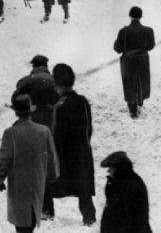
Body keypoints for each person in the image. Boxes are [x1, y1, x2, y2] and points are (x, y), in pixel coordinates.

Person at [0, 93, 59, 233]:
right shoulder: (44, 131)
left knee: (22, 225)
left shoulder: (10, 133)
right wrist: (53, 175)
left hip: (19, 189)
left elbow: (3, 159)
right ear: (31, 111)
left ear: (16, 113)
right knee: (32, 221)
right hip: (37, 186)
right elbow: (52, 157)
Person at [49, 63, 96, 227]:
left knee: (48, 185)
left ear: (57, 84)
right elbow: (89, 129)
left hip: (66, 155)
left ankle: (46, 218)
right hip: (83, 152)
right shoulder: (82, 101)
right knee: (84, 191)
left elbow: (58, 134)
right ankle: (89, 220)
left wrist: (55, 155)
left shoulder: (59, 106)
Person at [113, 6, 155, 118]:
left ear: (130, 16)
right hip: (143, 59)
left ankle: (132, 108)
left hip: (128, 60)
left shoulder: (124, 31)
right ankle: (140, 101)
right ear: (141, 16)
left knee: (129, 82)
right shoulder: (148, 30)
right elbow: (151, 45)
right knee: (142, 80)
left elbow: (117, 48)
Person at [99, 151, 152, 233]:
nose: (108, 171)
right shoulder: (115, 183)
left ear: (119, 168)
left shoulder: (133, 186)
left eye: (111, 168)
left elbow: (137, 222)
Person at [16, 55, 60, 130]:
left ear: (33, 66)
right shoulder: (55, 80)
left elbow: (17, 98)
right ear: (46, 65)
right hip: (51, 118)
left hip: (32, 118)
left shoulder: (26, 80)